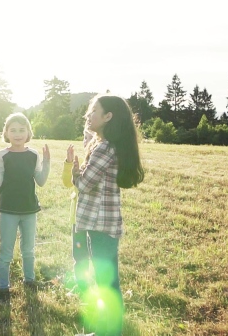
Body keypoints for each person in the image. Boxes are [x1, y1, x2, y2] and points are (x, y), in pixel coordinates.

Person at [71, 94, 145, 336]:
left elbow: (84, 184)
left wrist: (75, 172)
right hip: (103, 223)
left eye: (93, 111)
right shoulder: (105, 144)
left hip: (100, 224)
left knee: (107, 282)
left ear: (108, 117)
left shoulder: (103, 148)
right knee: (106, 279)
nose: (87, 115)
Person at [0, 112, 50, 301]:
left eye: (21, 130)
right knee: (6, 250)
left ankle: (29, 280)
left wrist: (47, 162)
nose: (17, 134)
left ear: (28, 132)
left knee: (28, 249)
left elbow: (40, 181)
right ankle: (3, 288)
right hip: (8, 210)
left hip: (29, 210)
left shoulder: (33, 154)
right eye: (13, 130)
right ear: (6, 132)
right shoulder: (3, 155)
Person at [62, 124, 93, 297]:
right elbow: (67, 183)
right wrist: (69, 164)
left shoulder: (94, 164)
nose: (86, 141)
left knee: (94, 255)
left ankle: (95, 285)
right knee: (80, 255)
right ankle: (82, 286)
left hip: (93, 220)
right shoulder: (80, 164)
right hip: (77, 220)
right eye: (84, 137)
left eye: (89, 137)